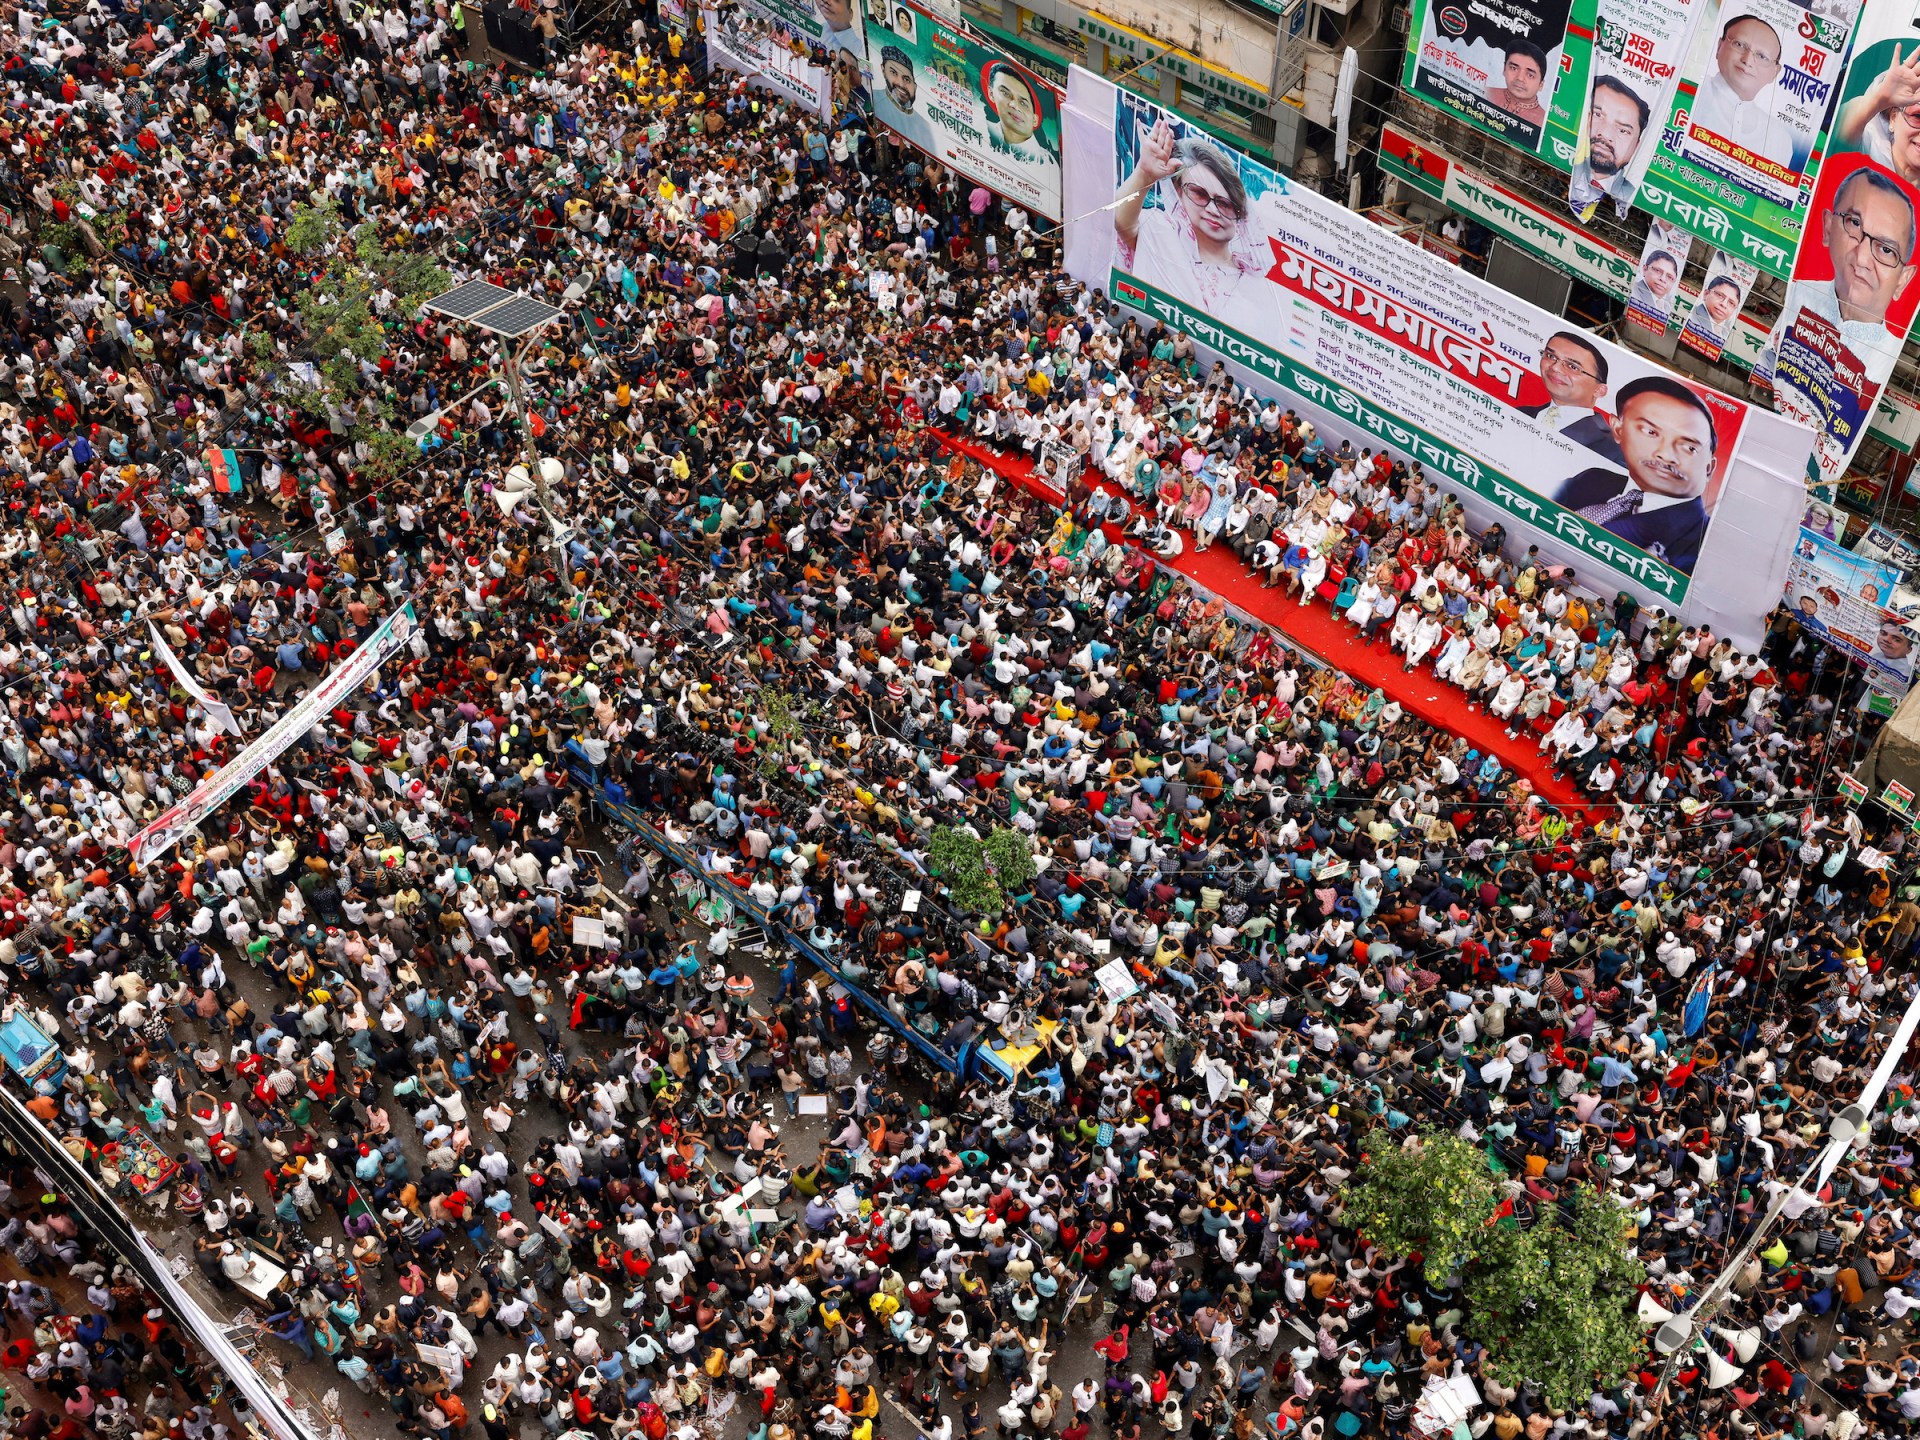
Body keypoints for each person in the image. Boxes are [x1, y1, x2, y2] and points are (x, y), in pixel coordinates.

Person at [1774, 165, 1920, 386]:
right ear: (1828, 227)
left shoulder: (1887, 354)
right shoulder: (1795, 293)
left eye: (1886, 250)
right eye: (1854, 223)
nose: (1861, 258)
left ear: (1903, 280)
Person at [1555, 376, 1719, 571]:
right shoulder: (1591, 480)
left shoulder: (1700, 543)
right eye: (1650, 432)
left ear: (1709, 468)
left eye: (1689, 447)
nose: (1666, 455)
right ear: (1617, 429)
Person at [1114, 120, 1267, 314]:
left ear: (1241, 214)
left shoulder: (1253, 283)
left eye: (1225, 204)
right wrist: (1144, 174)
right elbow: (1121, 221)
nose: (1213, 210)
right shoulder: (1161, 231)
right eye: (1199, 193)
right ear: (1178, 191)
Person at [1687, 15, 1795, 169]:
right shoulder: (1688, 91)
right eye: (1739, 45)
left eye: (1761, 56)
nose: (1748, 60)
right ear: (1719, 46)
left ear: (1775, 72)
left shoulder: (1779, 138)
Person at [1519, 332, 1624, 463]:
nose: (1555, 367)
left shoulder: (1613, 450)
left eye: (1573, 367)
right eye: (1551, 356)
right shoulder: (1521, 412)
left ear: (1599, 390)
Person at [1838, 40, 1920, 186]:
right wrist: (1878, 100)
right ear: (1893, 118)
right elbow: (1837, 129)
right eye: (1917, 116)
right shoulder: (1867, 147)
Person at [1570, 75, 1651, 219]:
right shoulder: (1561, 158)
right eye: (1598, 115)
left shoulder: (1633, 193)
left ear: (1637, 146)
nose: (1605, 134)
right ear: (1587, 116)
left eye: (1623, 130)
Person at [1482, 41, 1549, 128]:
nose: (1520, 78)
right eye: (1514, 68)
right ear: (1504, 69)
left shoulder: (1543, 122)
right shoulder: (1485, 93)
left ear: (1541, 84)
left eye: (1530, 75)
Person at [1683, 274, 1745, 346]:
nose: (1724, 304)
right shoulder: (1694, 317)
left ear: (1735, 309)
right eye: (1720, 295)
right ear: (1706, 294)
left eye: (1731, 303)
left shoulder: (1725, 330)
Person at [1629, 248, 1682, 321]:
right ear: (1644, 269)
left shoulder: (1666, 307)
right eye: (1657, 270)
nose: (1663, 279)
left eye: (1670, 277)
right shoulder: (1634, 291)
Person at [879, 44, 917, 113]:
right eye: (893, 73)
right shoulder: (875, 99)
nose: (901, 84)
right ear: (883, 70)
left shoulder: (924, 123)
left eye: (906, 79)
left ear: (915, 86)